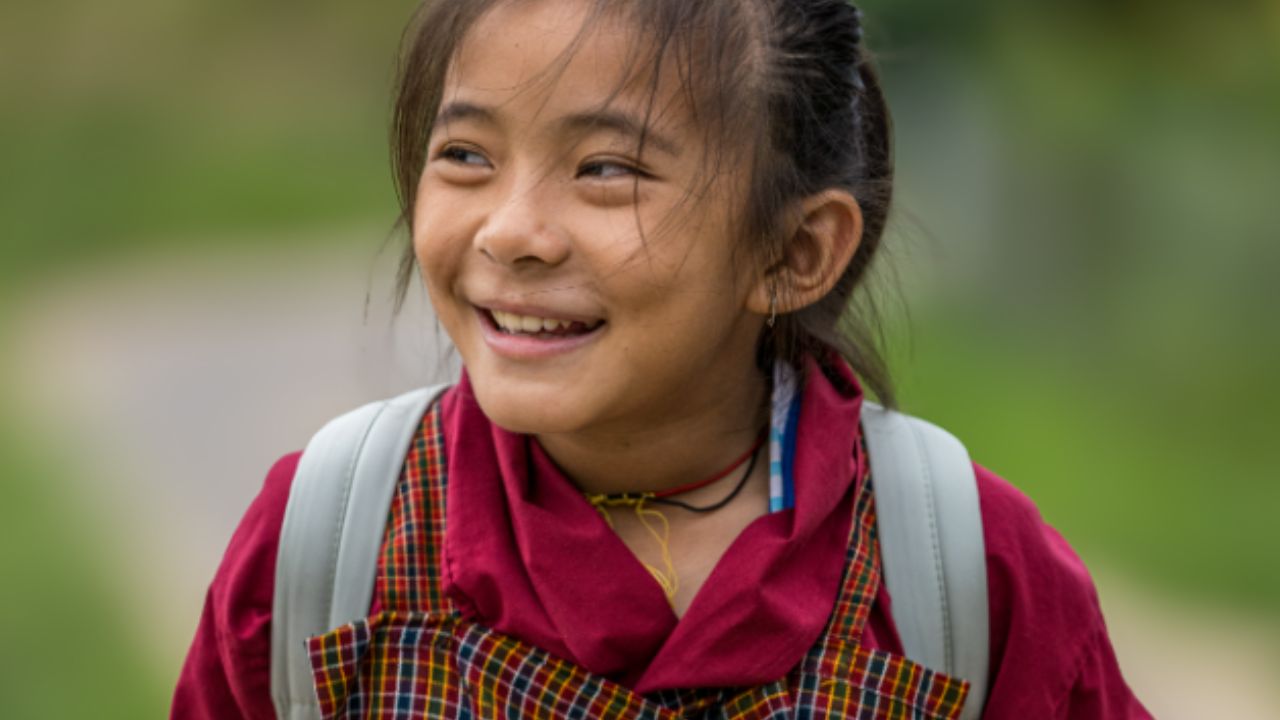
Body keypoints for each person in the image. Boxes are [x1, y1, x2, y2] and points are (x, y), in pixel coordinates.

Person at [172, 0, 1151, 717]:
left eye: (606, 170)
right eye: (466, 155)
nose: (510, 232)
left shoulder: (958, 580)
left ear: (792, 251)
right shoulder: (329, 552)